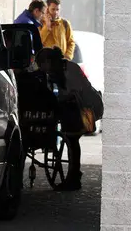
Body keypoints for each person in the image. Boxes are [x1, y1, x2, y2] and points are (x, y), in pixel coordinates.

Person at [35, 47, 103, 191]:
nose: (41, 68)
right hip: (73, 106)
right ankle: (74, 175)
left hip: (85, 107)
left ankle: (74, 177)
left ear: (48, 61)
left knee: (73, 140)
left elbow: (73, 93)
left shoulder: (70, 69)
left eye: (41, 64)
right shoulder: (56, 72)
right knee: (72, 141)